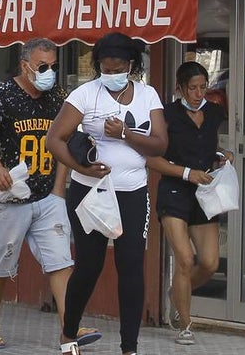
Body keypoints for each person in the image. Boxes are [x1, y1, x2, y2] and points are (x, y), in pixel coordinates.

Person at [0, 37, 101, 351]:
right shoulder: (3, 95)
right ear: (25, 65)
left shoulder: (58, 96)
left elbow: (66, 141)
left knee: (61, 261)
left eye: (53, 66)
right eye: (42, 66)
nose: (49, 72)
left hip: (47, 197)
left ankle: (68, 328)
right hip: (10, 199)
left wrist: (60, 188)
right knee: (1, 264)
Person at [45, 32, 168, 355]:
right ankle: (68, 334)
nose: (111, 74)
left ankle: (130, 347)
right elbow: (55, 139)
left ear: (131, 65)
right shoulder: (85, 94)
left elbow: (160, 144)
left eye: (117, 67)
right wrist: (81, 169)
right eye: (105, 67)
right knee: (89, 265)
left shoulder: (148, 95)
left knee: (130, 265)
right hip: (90, 193)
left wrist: (125, 133)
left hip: (132, 192)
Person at [147, 61, 233, 346]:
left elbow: (208, 145)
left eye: (202, 87)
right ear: (179, 88)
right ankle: (185, 325)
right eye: (192, 88)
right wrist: (186, 172)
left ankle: (176, 293)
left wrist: (221, 154)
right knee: (185, 259)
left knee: (209, 263)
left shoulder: (213, 113)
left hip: (204, 192)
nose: (198, 94)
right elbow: (152, 158)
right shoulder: (166, 115)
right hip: (174, 191)